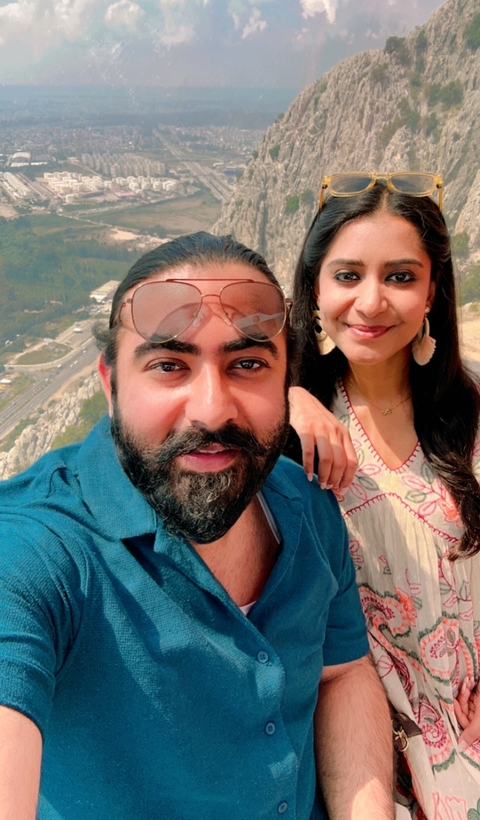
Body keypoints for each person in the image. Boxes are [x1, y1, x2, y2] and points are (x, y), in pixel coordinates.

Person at [0, 232, 395, 820]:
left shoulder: (306, 505)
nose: (212, 409)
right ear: (111, 384)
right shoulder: (41, 548)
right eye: (169, 365)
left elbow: (342, 674)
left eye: (248, 364)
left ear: (287, 383)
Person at [287, 172, 480, 819]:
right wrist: (287, 400)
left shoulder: (472, 412)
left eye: (399, 276)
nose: (370, 302)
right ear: (315, 288)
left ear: (431, 291)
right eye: (348, 275)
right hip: (361, 763)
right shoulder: (292, 432)